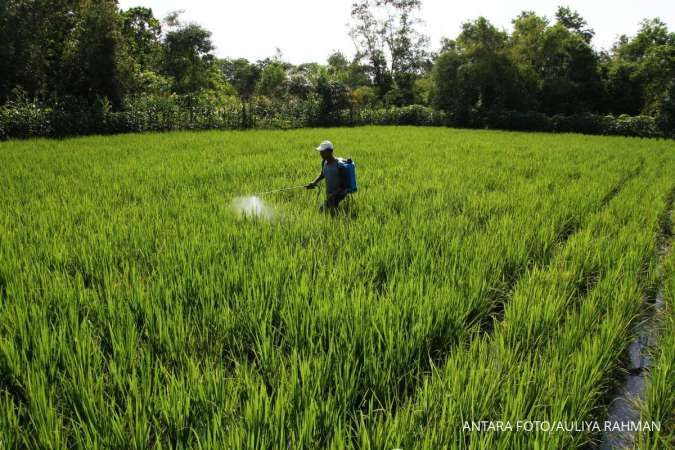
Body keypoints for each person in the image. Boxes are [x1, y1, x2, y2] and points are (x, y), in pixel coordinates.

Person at [305, 140, 348, 212]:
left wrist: (334, 194)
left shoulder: (339, 165)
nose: (320, 154)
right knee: (330, 212)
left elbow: (344, 185)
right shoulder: (324, 162)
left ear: (330, 151)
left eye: (322, 152)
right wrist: (314, 182)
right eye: (320, 152)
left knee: (322, 210)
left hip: (339, 194)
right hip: (330, 194)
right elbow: (323, 174)